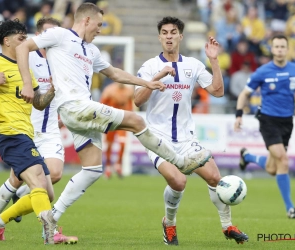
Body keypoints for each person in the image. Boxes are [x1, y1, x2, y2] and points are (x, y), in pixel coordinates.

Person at [15, 2, 212, 233]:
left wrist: (146, 83)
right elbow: (22, 47)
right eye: (98, 25)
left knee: (92, 170)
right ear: (86, 20)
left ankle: (51, 217)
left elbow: (114, 73)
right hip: (75, 106)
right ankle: (180, 162)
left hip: (79, 112)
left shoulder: (92, 50)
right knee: (137, 121)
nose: (100, 29)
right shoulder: (59, 34)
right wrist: (28, 84)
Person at [134, 16, 249, 246]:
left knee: (216, 177)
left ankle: (228, 227)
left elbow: (217, 91)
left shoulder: (193, 65)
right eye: (164, 32)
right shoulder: (149, 66)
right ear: (159, 37)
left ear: (180, 36)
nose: (169, 36)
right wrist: (156, 79)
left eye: (173, 32)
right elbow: (137, 101)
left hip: (186, 139)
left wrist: (213, 60)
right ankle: (169, 223)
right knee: (178, 182)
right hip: (158, 139)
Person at [0, 17, 78, 244]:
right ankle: (51, 234)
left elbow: (38, 102)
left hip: (26, 135)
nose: (26, 42)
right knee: (36, 183)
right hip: (9, 134)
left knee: (46, 191)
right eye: (20, 38)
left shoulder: (25, 70)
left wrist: (52, 90)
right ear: (7, 41)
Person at [234, 34, 295, 219]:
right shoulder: (262, 72)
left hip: (287, 122)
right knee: (284, 161)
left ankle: (248, 156)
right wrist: (239, 115)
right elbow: (244, 94)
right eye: (276, 46)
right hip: (268, 120)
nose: (279, 49)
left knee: (273, 168)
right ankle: (290, 208)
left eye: (282, 47)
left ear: (287, 49)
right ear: (272, 49)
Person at [100, 82, 134, 178]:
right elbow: (102, 103)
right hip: (110, 121)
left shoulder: (129, 91)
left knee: (122, 143)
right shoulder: (109, 90)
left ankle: (118, 164)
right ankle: (108, 167)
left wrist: (130, 116)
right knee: (109, 145)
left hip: (122, 121)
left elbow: (130, 105)